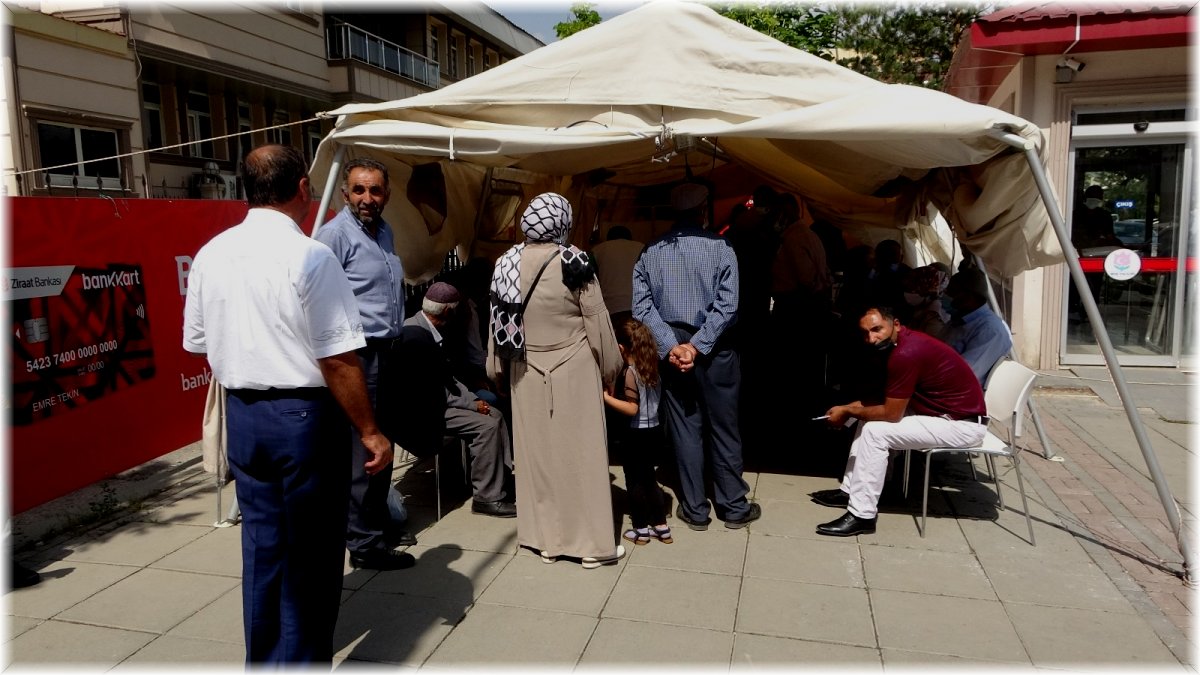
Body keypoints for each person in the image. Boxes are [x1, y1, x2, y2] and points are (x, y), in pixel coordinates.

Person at [183, 144, 396, 664]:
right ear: (303, 188)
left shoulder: (213, 252)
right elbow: (339, 358)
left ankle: (266, 660)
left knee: (262, 550)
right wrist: (371, 431)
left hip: (245, 417)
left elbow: (197, 341)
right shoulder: (311, 255)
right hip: (301, 419)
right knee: (311, 558)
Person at [487, 192, 625, 569]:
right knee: (582, 455)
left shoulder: (505, 263)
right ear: (562, 221)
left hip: (525, 370)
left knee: (538, 459)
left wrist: (497, 370)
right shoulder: (574, 259)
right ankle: (591, 546)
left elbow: (497, 326)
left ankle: (544, 540)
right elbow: (596, 317)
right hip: (574, 367)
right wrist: (611, 368)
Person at [632, 182, 761, 531]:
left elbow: (641, 306)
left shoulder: (650, 250)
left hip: (673, 346)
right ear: (703, 211)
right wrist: (698, 345)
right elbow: (728, 305)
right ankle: (733, 506)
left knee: (685, 429)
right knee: (724, 427)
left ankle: (695, 509)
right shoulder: (722, 247)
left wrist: (673, 345)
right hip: (715, 348)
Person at [314, 157, 417, 569]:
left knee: (383, 445)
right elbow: (317, 299)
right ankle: (364, 545)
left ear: (386, 194)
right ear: (345, 194)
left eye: (375, 190)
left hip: (388, 351)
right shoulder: (333, 236)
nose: (367, 198)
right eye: (359, 190)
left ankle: (374, 527)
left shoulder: (385, 232)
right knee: (365, 453)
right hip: (360, 355)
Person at [812, 305, 988, 537]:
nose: (871, 339)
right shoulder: (903, 343)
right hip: (945, 415)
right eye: (865, 333)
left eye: (877, 330)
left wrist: (847, 412)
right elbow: (886, 399)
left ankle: (862, 515)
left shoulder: (906, 353)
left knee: (876, 431)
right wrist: (851, 407)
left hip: (961, 425)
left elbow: (891, 413)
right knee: (868, 421)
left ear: (895, 324)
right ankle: (851, 491)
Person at [407, 282, 516, 517]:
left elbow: (448, 378)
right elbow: (432, 388)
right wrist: (471, 403)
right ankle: (487, 497)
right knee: (487, 425)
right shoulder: (415, 336)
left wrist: (471, 399)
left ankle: (500, 480)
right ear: (448, 311)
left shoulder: (430, 330)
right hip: (422, 412)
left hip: (437, 402)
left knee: (495, 414)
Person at [603, 315, 672, 546]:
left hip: (636, 434)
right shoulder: (652, 369)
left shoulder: (631, 373)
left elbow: (632, 408)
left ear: (622, 348)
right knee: (650, 480)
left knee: (634, 482)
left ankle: (640, 528)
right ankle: (662, 526)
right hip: (654, 431)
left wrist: (605, 399)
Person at [943, 268, 1014, 386]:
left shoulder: (990, 330)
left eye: (951, 293)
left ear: (970, 297)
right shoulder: (957, 321)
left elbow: (965, 375)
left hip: (958, 395)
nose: (946, 298)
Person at [590, 225, 645, 320]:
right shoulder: (642, 248)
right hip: (640, 307)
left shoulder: (598, 250)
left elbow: (589, 280)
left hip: (611, 308)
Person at [900, 264, 951, 339]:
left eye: (913, 290)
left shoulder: (935, 318)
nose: (908, 293)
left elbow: (930, 346)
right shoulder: (924, 307)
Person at [1071, 185, 1122, 252]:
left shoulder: (1105, 215)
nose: (1094, 198)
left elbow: (1109, 236)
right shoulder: (1075, 214)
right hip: (1077, 252)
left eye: (1097, 196)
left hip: (1099, 252)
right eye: (1092, 195)